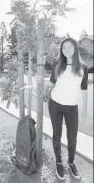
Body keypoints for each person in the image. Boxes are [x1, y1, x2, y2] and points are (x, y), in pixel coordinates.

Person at [48, 37, 88, 181]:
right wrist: (36, 81)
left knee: (72, 138)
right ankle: (59, 162)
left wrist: (84, 110)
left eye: (69, 47)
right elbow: (52, 82)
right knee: (57, 135)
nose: (66, 50)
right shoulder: (57, 64)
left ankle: (71, 162)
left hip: (72, 107)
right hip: (55, 105)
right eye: (63, 48)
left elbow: (84, 89)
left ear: (75, 48)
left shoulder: (83, 67)